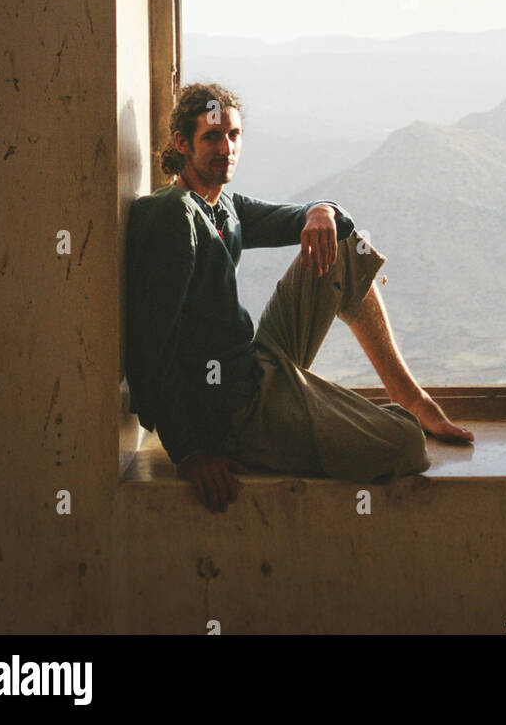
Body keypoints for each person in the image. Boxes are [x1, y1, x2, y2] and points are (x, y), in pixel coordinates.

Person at [125, 82, 473, 511]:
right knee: (406, 446)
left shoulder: (224, 207)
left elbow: (317, 221)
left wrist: (321, 209)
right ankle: (377, 418)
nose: (226, 147)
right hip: (236, 414)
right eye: (212, 136)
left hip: (256, 363)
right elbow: (148, 347)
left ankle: (410, 397)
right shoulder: (173, 213)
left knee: (345, 243)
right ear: (183, 143)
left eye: (233, 135)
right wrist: (189, 452)